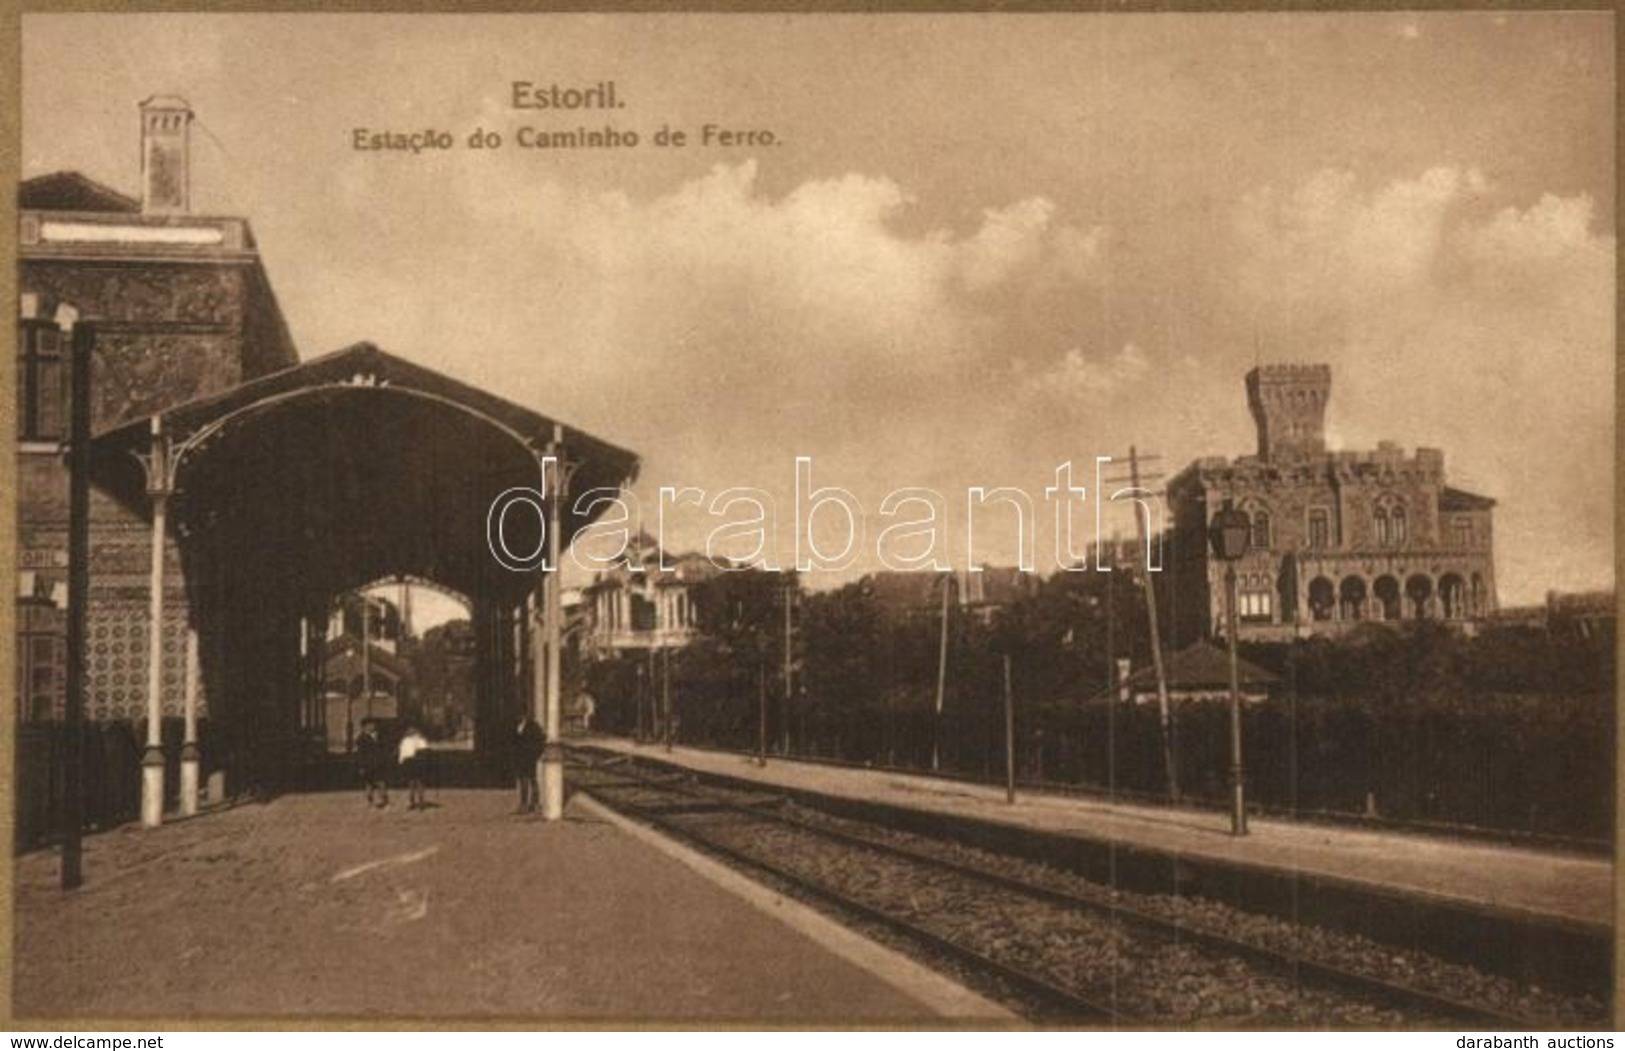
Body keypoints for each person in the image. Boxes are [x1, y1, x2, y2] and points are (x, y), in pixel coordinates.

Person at [513, 714, 545, 814]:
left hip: (529, 757)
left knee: (531, 779)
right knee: (524, 779)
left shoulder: (533, 726)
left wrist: (536, 753)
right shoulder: (518, 725)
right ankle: (525, 804)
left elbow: (541, 739)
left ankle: (533, 803)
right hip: (521, 757)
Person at [356, 719, 388, 808]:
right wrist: (361, 766)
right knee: (369, 784)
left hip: (378, 763)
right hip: (368, 764)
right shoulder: (361, 738)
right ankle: (370, 801)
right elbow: (360, 754)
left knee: (381, 782)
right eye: (369, 725)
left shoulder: (379, 736)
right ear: (364, 727)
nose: (372, 727)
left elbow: (383, 749)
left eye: (373, 725)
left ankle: (384, 800)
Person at [398, 724, 430, 811]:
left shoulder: (421, 741)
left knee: (419, 782)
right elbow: (402, 752)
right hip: (409, 762)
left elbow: (425, 752)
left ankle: (420, 801)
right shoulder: (405, 741)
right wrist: (401, 762)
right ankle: (412, 800)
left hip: (419, 762)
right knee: (412, 783)